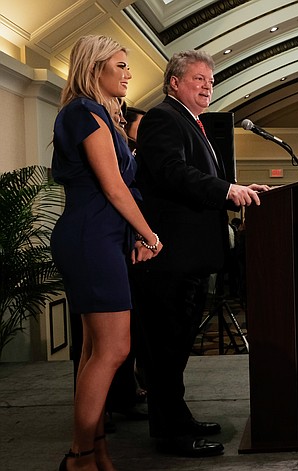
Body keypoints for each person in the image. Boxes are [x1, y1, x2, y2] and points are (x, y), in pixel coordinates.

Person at [132, 49, 269, 458]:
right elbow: (173, 174)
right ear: (174, 82)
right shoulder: (163, 119)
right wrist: (228, 191)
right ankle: (171, 435)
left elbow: (200, 179)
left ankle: (177, 419)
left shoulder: (191, 123)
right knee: (166, 351)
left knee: (175, 351)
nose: (208, 85)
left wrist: (237, 190)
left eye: (211, 80)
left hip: (190, 258)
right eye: (198, 79)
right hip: (172, 257)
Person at [50, 35, 162, 471]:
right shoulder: (83, 111)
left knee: (97, 350)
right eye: (120, 65)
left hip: (97, 237)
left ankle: (96, 451)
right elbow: (114, 188)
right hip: (89, 238)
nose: (129, 73)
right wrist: (149, 234)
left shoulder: (97, 114)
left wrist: (132, 235)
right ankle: (80, 457)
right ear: (94, 68)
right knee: (114, 349)